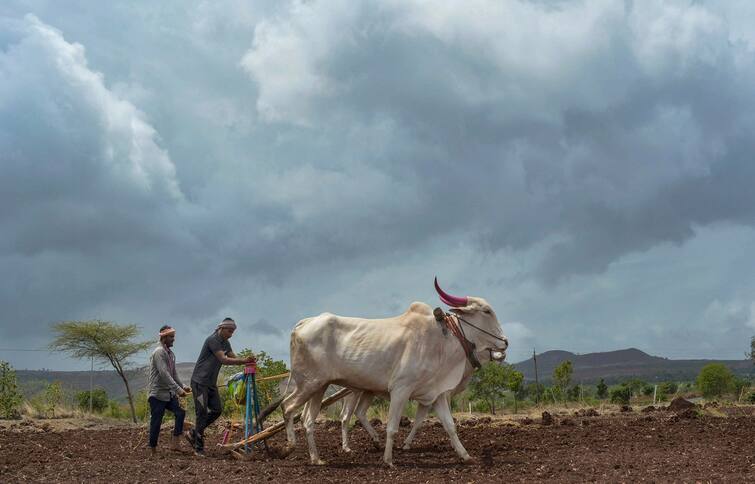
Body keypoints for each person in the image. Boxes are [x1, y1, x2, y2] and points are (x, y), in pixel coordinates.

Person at [185, 317, 254, 456]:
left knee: (217, 410)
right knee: (202, 413)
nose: (231, 334)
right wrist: (243, 361)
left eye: (233, 331)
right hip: (199, 383)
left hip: (210, 384)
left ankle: (193, 432)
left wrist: (247, 361)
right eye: (229, 331)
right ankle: (198, 448)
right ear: (221, 329)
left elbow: (232, 356)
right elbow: (224, 359)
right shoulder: (213, 340)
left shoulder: (225, 342)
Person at [147, 325, 191, 456]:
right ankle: (153, 450)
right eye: (171, 337)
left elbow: (173, 374)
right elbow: (164, 374)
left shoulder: (170, 354)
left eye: (173, 337)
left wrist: (183, 386)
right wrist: (178, 390)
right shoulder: (159, 352)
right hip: (157, 394)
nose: (173, 339)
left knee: (180, 413)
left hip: (168, 393)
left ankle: (175, 444)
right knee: (157, 421)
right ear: (164, 337)